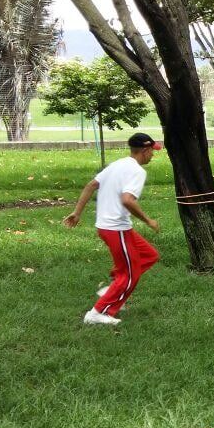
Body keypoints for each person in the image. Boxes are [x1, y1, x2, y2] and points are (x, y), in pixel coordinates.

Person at [63, 133, 162, 325]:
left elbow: (91, 185)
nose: (153, 155)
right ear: (145, 150)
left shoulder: (118, 164)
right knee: (130, 274)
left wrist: (77, 213)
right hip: (116, 228)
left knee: (149, 255)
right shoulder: (137, 172)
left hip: (109, 227)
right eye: (152, 152)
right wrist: (148, 220)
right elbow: (127, 200)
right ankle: (98, 313)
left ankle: (114, 289)